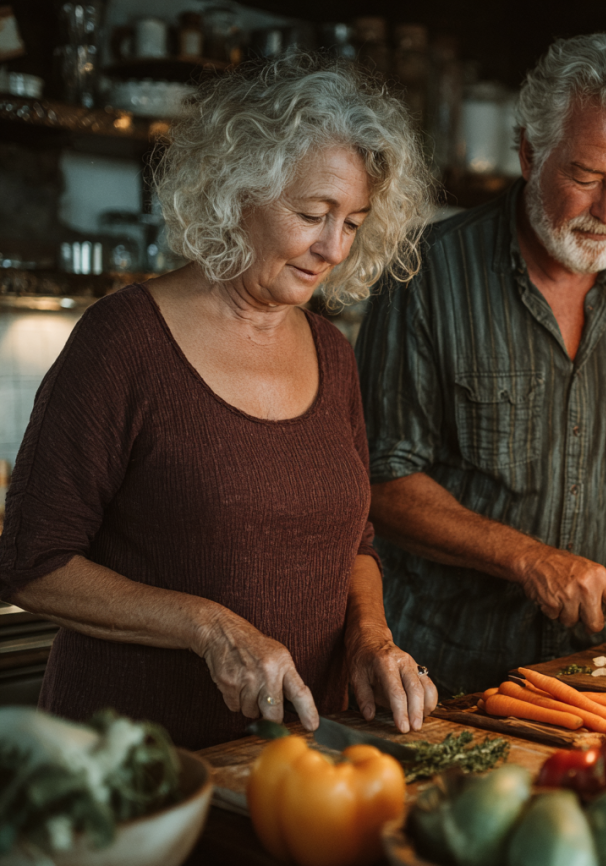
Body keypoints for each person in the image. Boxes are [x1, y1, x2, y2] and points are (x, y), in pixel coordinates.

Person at [0, 54, 438, 749]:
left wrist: (371, 638)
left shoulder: (332, 353)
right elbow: (33, 562)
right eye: (311, 214)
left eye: (353, 223)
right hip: (137, 761)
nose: (332, 248)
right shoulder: (123, 342)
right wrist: (210, 628)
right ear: (238, 191)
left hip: (297, 756)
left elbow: (353, 543)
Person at [355, 31, 606, 697]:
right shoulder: (422, 272)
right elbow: (380, 481)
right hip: (441, 674)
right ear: (530, 153)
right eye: (586, 176)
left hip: (590, 671)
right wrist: (529, 559)